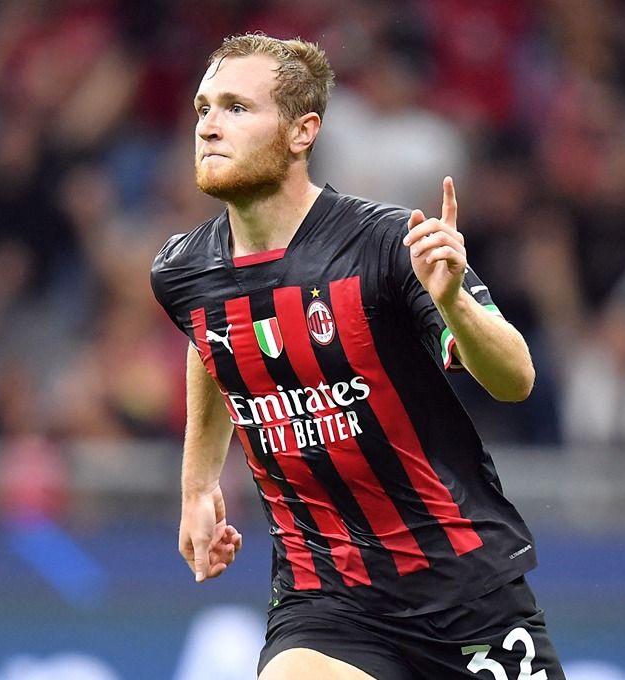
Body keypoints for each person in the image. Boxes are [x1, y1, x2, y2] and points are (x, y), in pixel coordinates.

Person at [150, 34, 567, 679]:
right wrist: (198, 485)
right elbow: (209, 341)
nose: (208, 127)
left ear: (301, 132)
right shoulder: (183, 272)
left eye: (236, 108)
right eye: (203, 108)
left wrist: (455, 303)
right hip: (325, 600)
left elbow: (517, 378)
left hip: (461, 592)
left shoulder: (386, 246)